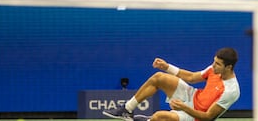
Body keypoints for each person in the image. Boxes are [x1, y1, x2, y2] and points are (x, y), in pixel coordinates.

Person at [102, 47, 240, 121]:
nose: (213, 66)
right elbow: (192, 77)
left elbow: (208, 117)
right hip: (192, 96)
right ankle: (127, 109)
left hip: (196, 117)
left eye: (217, 64)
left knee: (159, 117)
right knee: (160, 77)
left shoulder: (231, 91)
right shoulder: (214, 70)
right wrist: (167, 67)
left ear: (229, 67)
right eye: (214, 61)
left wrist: (183, 108)